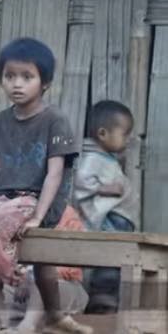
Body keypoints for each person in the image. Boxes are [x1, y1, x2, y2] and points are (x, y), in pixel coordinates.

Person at [0, 38, 93, 333]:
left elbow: (55, 174)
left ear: (45, 83)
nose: (17, 84)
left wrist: (39, 216)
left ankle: (6, 285)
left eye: (27, 77)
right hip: (2, 201)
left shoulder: (55, 120)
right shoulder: (1, 121)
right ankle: (0, 296)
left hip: (36, 201)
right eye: (9, 76)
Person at [72, 100, 136, 313]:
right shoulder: (93, 159)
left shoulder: (106, 158)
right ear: (102, 133)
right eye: (125, 134)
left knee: (116, 260)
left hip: (118, 219)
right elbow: (81, 182)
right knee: (110, 258)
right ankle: (102, 301)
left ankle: (105, 299)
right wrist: (104, 188)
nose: (128, 139)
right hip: (109, 220)